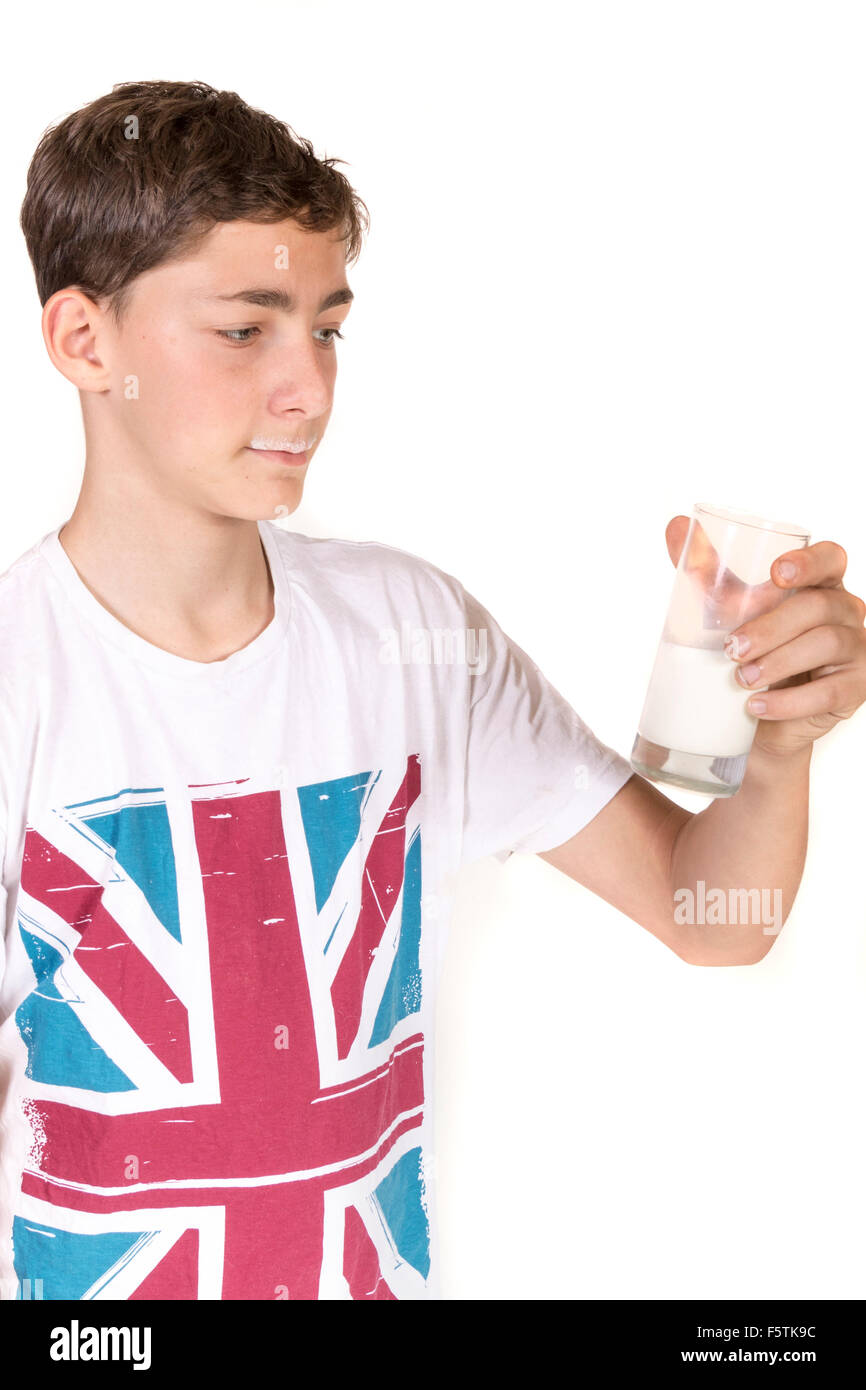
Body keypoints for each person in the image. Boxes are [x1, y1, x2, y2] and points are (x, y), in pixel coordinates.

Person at [1, 80, 864, 1303]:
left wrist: (778, 742)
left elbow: (709, 915)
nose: (309, 385)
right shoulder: (21, 679)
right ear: (85, 342)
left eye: (327, 327)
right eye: (247, 329)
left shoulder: (408, 630)